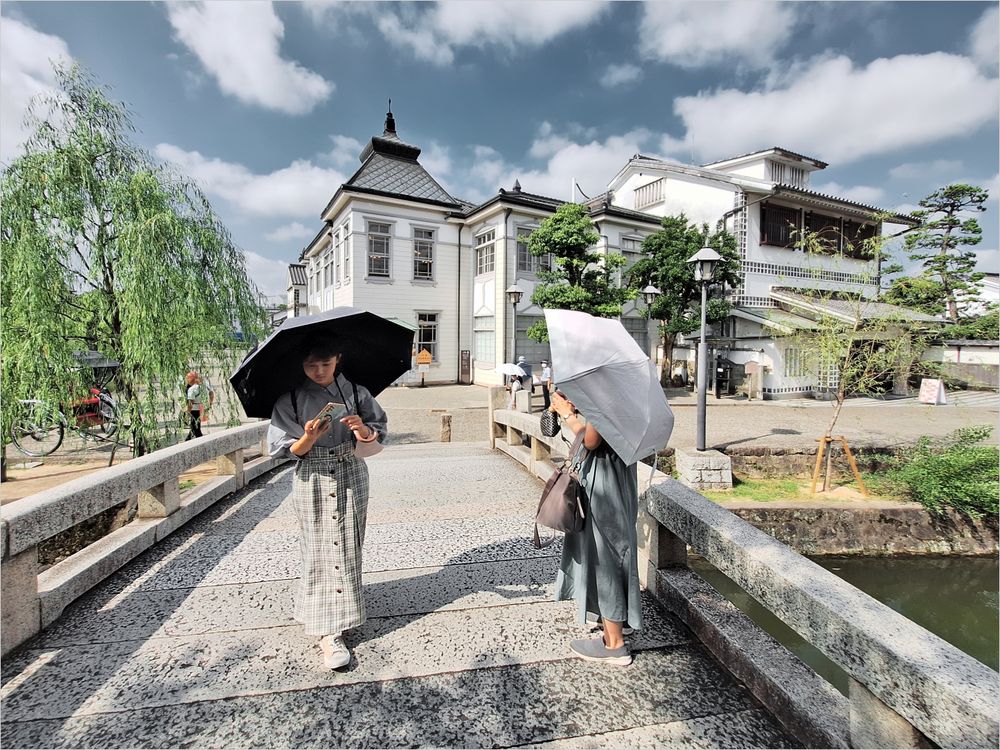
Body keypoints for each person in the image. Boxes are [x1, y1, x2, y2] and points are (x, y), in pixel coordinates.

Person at [268, 338, 388, 670]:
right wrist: (309, 437)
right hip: (313, 474)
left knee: (349, 544)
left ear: (338, 358)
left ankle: (343, 610)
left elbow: (377, 435)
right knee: (319, 547)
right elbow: (284, 449)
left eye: (325, 363)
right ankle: (328, 631)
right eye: (311, 365)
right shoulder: (290, 399)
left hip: (351, 470)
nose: (319, 371)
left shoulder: (357, 393)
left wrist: (363, 429)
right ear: (301, 365)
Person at [549, 389, 642, 666]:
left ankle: (614, 644)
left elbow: (591, 440)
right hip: (622, 477)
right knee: (618, 550)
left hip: (605, 481)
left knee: (606, 556)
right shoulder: (628, 393)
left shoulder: (606, 393)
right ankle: (618, 620)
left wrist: (567, 413)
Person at [184, 371, 214, 440]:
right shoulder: (205, 384)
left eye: (188, 379)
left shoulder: (192, 389)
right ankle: (187, 440)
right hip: (202, 408)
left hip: (194, 410)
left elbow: (191, 403)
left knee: (196, 429)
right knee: (195, 426)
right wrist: (210, 404)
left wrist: (187, 412)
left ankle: (202, 442)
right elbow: (211, 394)